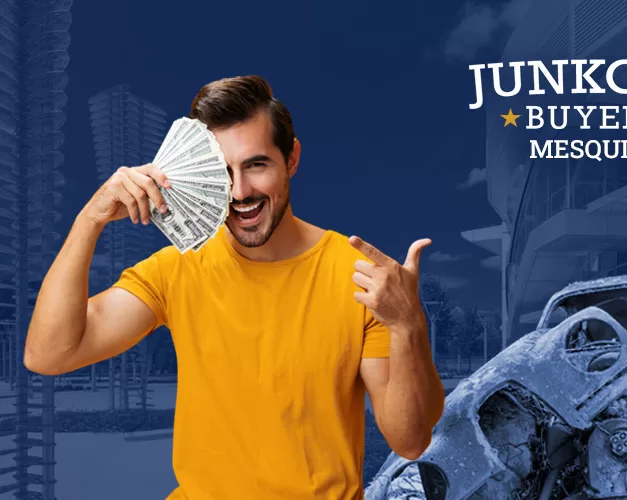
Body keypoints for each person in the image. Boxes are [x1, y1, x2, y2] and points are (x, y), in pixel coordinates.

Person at [24, 75, 445, 499]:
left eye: (256, 165)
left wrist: (408, 324)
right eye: (222, 173)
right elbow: (48, 354)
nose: (240, 192)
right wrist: (89, 220)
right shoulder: (177, 270)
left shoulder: (356, 276)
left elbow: (409, 441)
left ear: (292, 159)